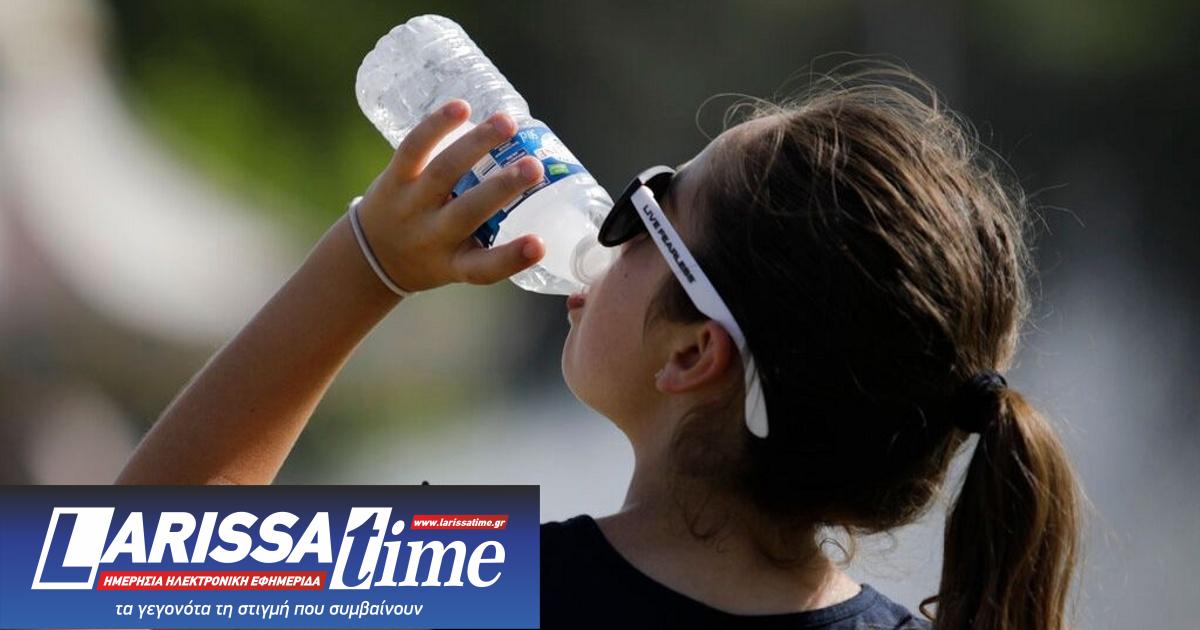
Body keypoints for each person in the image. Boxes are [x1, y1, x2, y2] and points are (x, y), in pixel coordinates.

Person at [117, 65, 1082, 629]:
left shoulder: (468, 583)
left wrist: (365, 262)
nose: (602, 227)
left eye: (644, 207)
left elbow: (116, 571)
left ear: (692, 356)